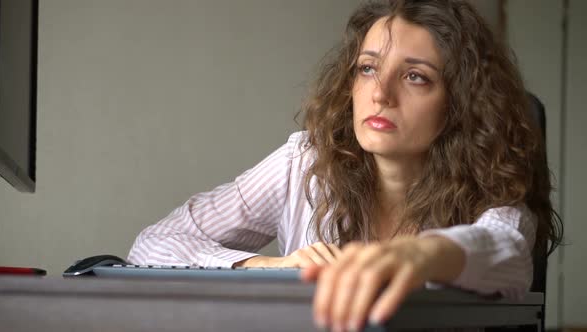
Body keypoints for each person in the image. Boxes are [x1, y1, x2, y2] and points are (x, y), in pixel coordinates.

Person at [128, 0, 563, 331]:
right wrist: (263, 268)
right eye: (368, 69)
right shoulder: (304, 162)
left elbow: (505, 250)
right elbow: (153, 244)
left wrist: (419, 254)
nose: (381, 94)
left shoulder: (491, 189)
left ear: (461, 104)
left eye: (415, 76)